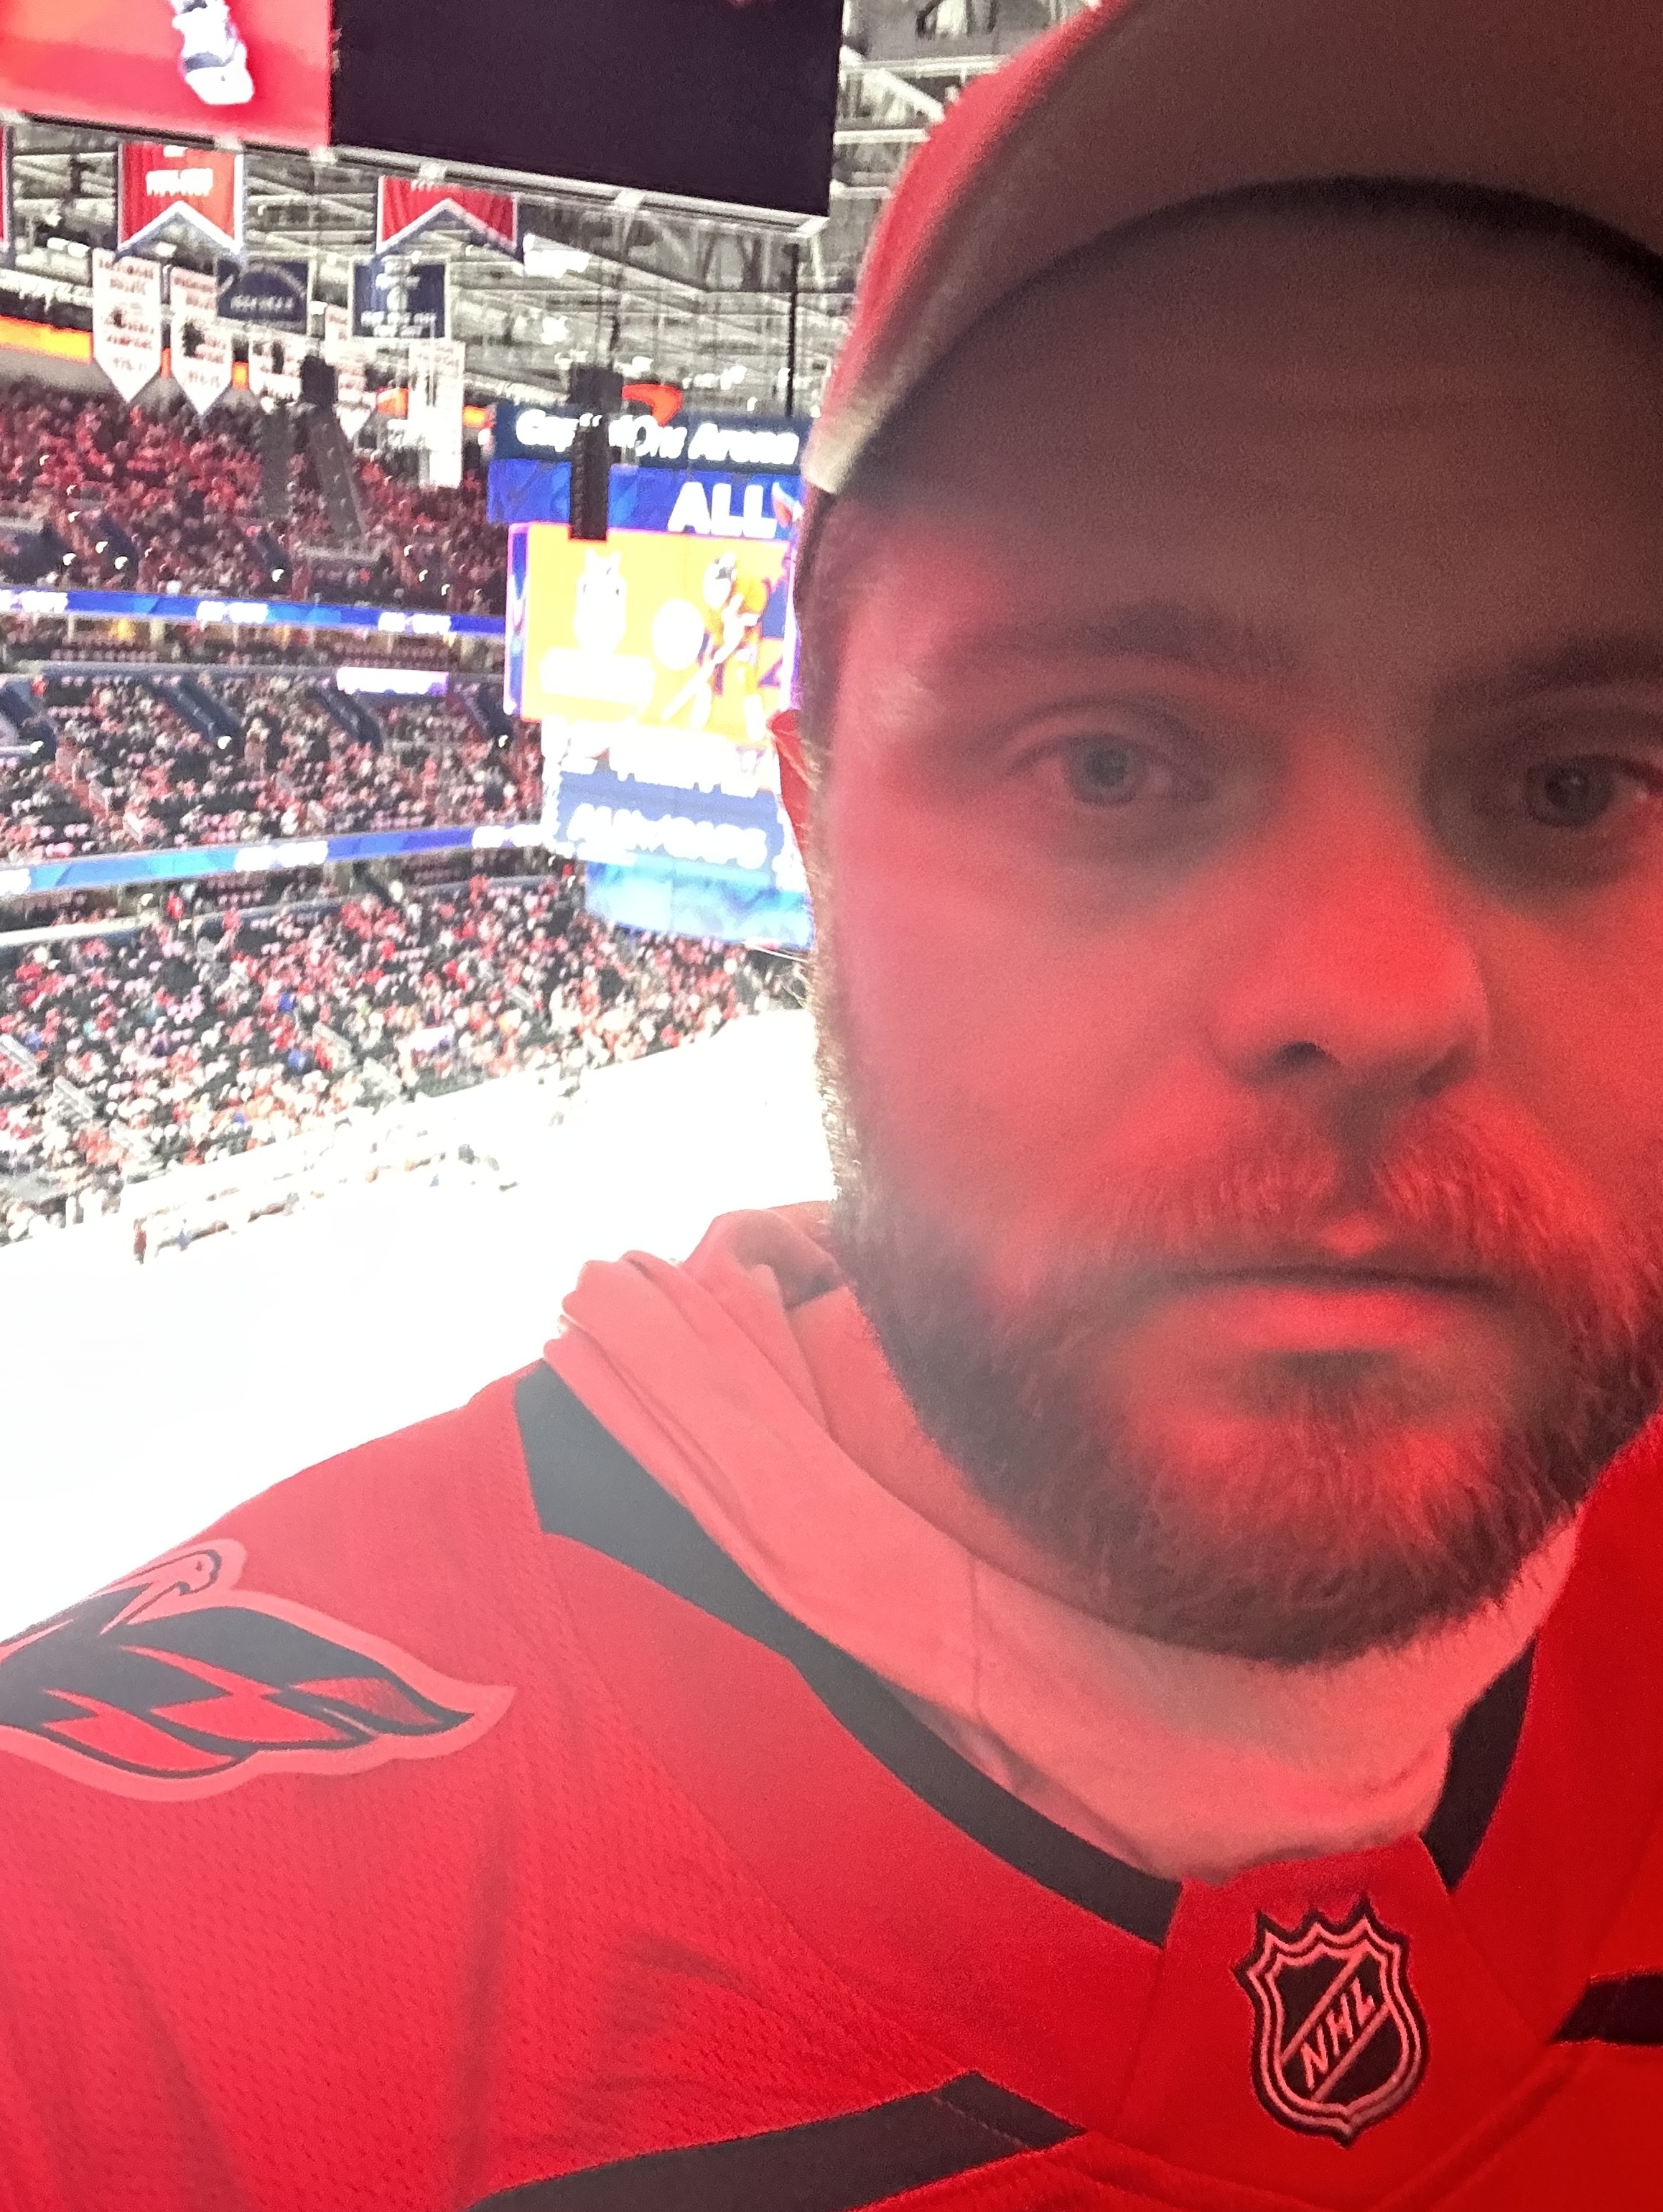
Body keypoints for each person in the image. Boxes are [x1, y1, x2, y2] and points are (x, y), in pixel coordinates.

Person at [4, 0, 1663, 2203]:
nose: (1366, 994)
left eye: (1579, 786)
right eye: (1106, 762)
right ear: (809, 815)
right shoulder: (96, 1970)